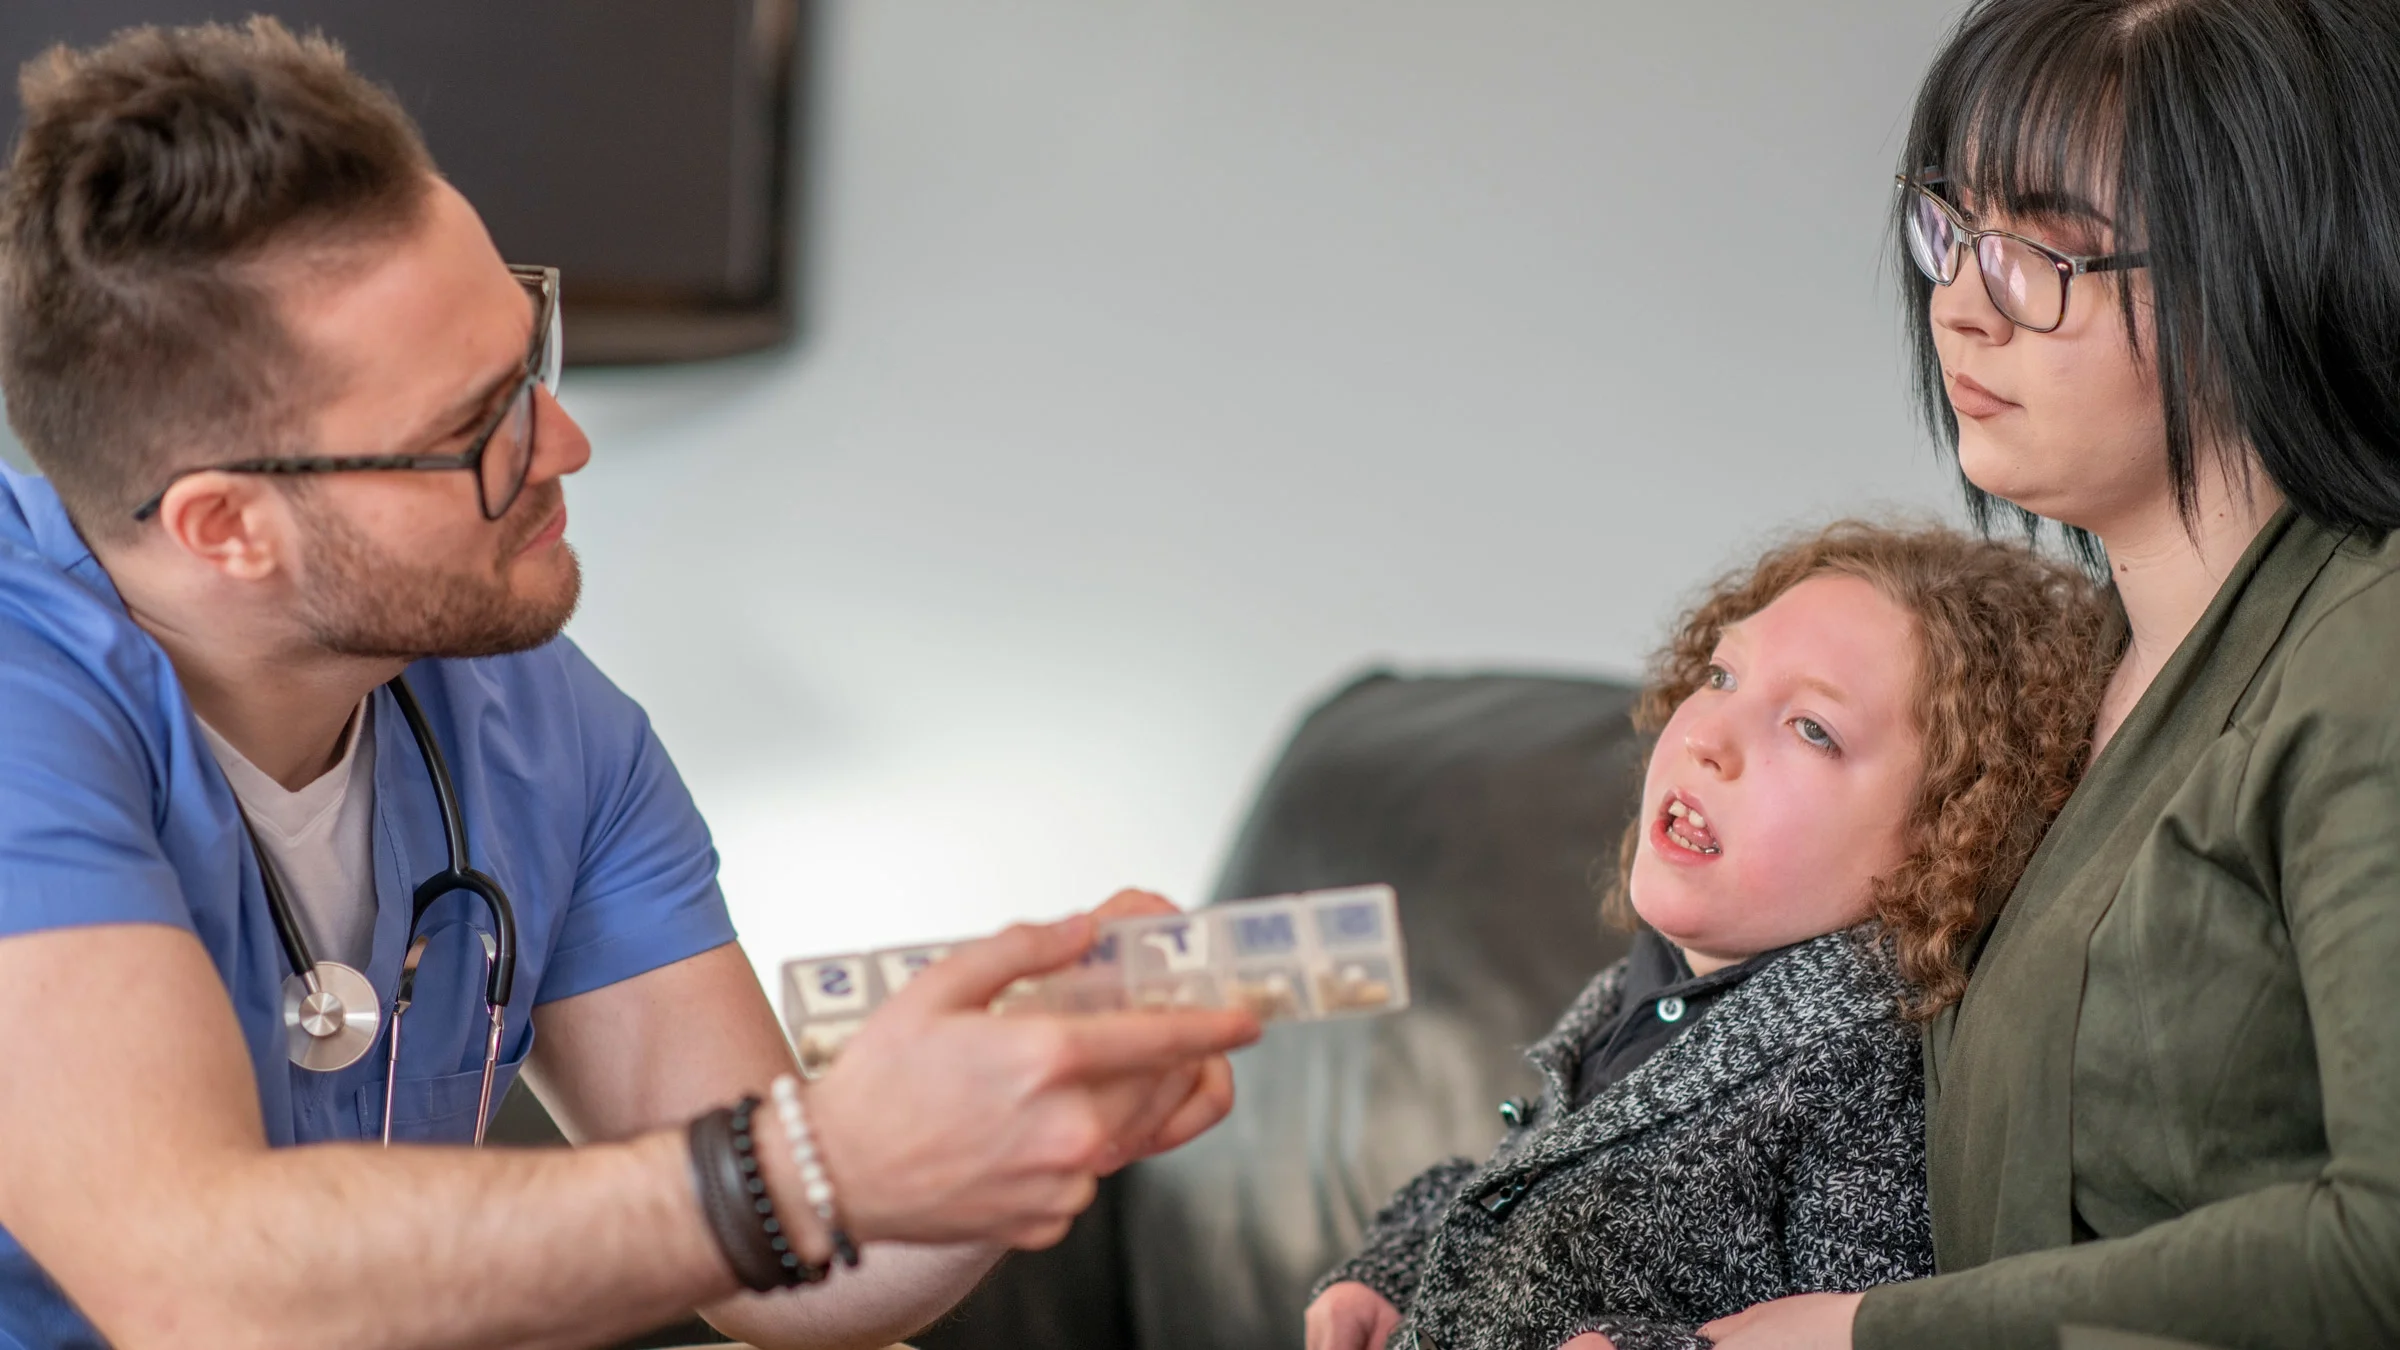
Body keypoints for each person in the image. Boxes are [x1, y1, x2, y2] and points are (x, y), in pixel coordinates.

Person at [0, 20, 1262, 1350]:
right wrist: (804, 1166)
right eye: (471, 429)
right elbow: (201, 1288)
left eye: (527, 358)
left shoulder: (533, 719)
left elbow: (803, 1277)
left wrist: (1021, 1110)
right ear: (224, 528)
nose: (566, 442)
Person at [1700, 1, 2400, 1347]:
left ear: (2271, 261)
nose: (1960, 303)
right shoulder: (2054, 682)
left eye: (2045, 249)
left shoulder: (2365, 652)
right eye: (1951, 227)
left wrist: (1867, 1332)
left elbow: (2381, 1243)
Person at [1302, 523, 2107, 1350]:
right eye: (1722, 676)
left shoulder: (1863, 1066)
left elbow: (1855, 1333)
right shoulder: (1646, 983)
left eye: (1811, 729)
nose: (1706, 739)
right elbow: (1519, 1180)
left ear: (1951, 836)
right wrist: (1389, 1274)